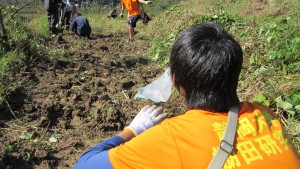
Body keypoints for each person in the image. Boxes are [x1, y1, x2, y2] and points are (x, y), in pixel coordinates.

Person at [74, 22, 300, 169]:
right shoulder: (266, 114)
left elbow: (84, 164)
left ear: (176, 82)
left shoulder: (170, 137)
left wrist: (133, 130)